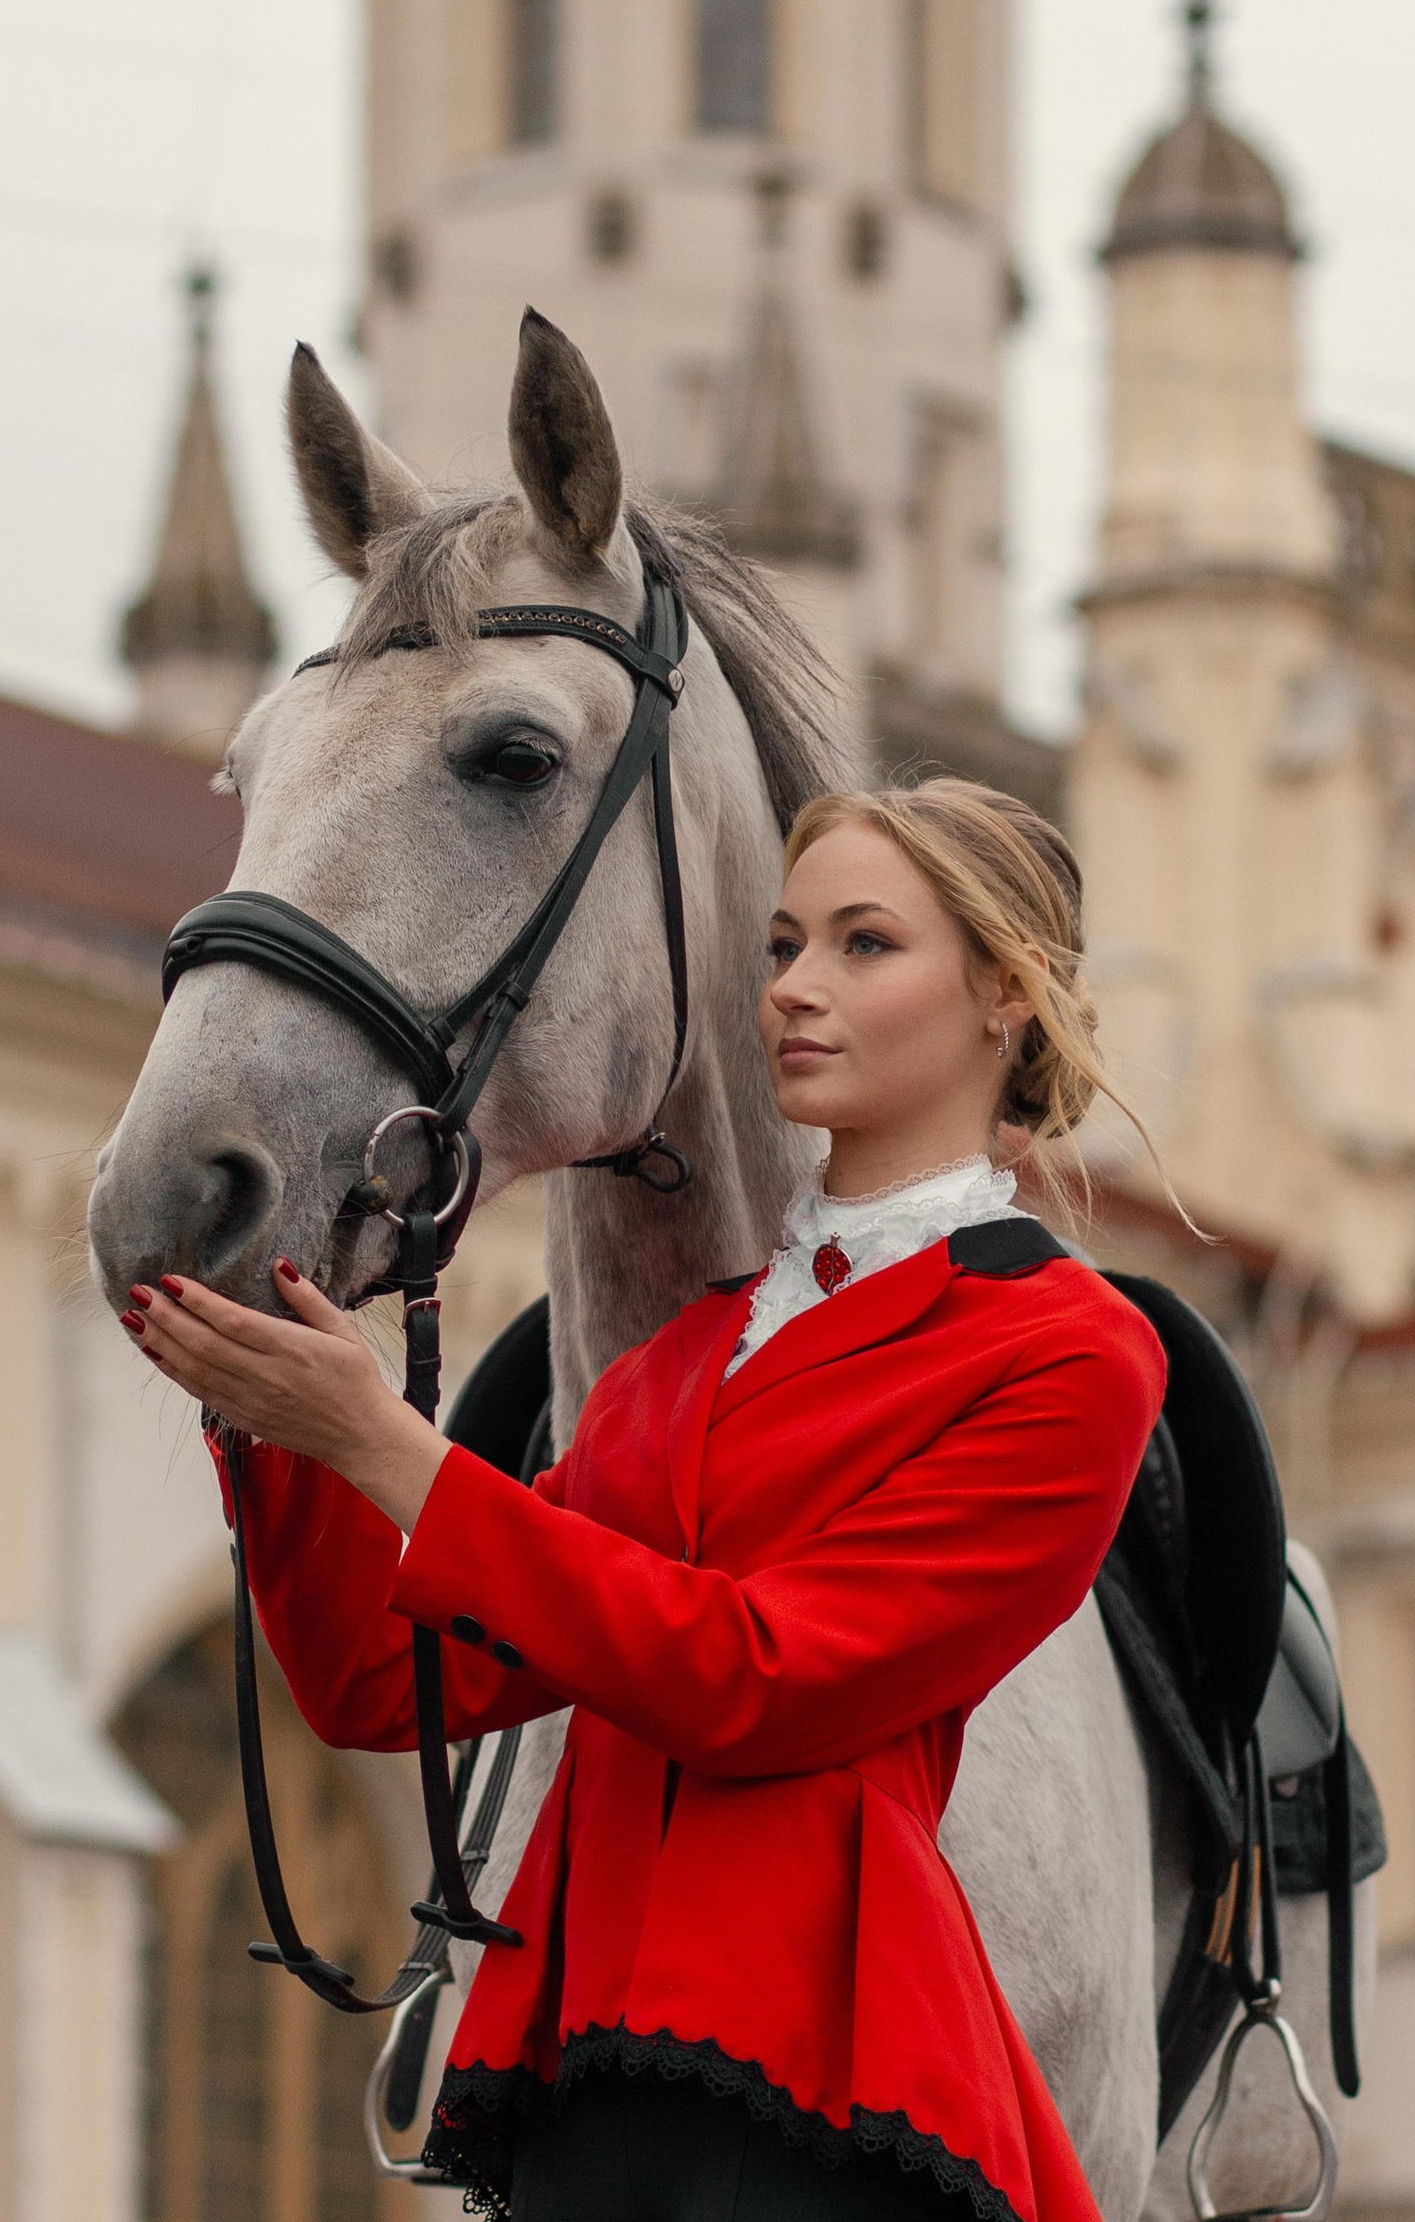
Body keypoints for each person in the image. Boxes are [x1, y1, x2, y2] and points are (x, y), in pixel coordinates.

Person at [124, 780, 1165, 2222]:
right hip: (590, 2073)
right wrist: (271, 1411)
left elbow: (761, 1680)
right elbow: (381, 1682)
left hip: (820, 2080)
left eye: (865, 946)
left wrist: (391, 1448)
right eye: (783, 946)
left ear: (1005, 995)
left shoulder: (1066, 1350)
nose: (796, 988)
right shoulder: (679, 1358)